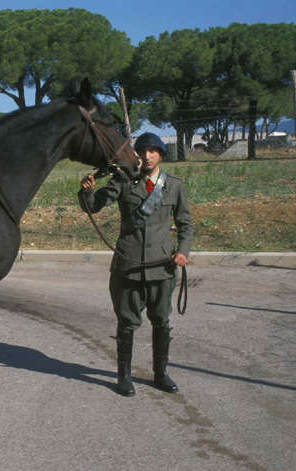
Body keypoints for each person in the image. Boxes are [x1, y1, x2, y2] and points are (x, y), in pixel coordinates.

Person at [79, 132, 193, 397]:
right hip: (128, 266)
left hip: (162, 266)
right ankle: (124, 376)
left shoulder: (174, 185)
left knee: (161, 321)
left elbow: (185, 224)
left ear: (161, 154)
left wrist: (183, 251)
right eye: (142, 151)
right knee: (127, 322)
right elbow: (94, 206)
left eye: (153, 150)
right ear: (135, 156)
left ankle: (161, 373)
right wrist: (86, 192)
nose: (147, 155)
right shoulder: (123, 181)